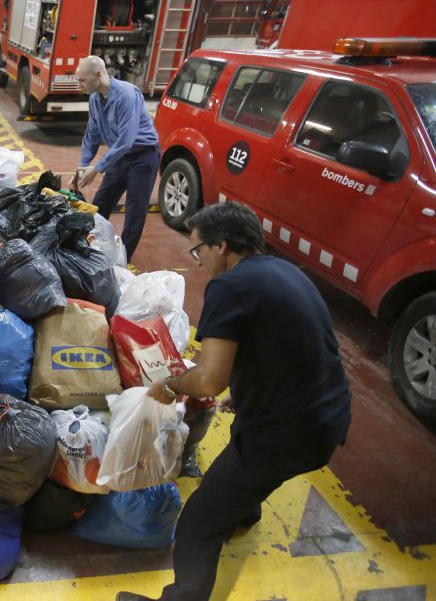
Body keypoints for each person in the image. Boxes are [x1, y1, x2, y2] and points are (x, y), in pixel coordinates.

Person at [116, 202, 352, 601]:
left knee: (197, 526)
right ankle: (244, 509)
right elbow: (287, 345)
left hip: (284, 435)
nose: (197, 262)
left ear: (222, 245)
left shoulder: (229, 286)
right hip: (328, 420)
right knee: (240, 474)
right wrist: (244, 393)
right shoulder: (285, 272)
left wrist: (172, 385)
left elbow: (208, 379)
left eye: (198, 251)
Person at [74, 55, 160, 263]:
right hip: (119, 157)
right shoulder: (95, 99)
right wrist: (83, 166)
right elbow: (92, 135)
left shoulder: (126, 95)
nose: (79, 86)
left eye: (82, 81)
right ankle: (90, 248)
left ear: (98, 75)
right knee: (101, 203)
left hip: (143, 156)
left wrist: (97, 169)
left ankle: (123, 260)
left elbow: (126, 140)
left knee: (134, 211)